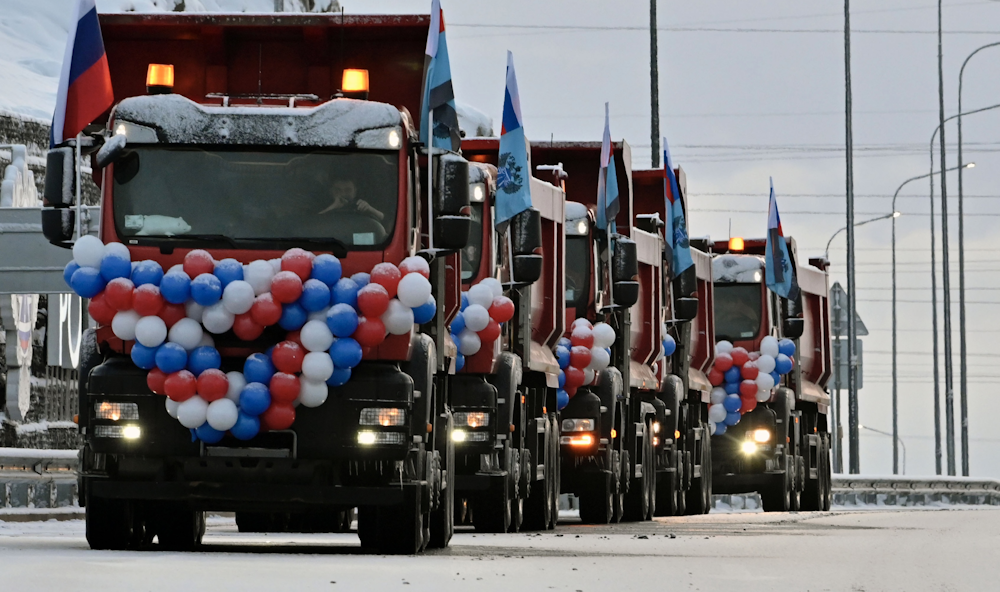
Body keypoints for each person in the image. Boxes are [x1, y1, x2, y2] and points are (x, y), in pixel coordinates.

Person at [318, 179, 384, 221]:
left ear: (355, 191)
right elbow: (314, 223)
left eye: (348, 190)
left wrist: (370, 209)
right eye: (337, 190)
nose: (343, 194)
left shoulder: (361, 206)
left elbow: (384, 222)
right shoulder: (322, 205)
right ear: (331, 191)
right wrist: (332, 207)